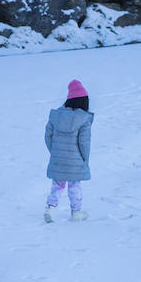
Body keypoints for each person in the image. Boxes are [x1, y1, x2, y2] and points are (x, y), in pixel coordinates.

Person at [44, 80, 94, 223]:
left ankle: (50, 209)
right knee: (74, 186)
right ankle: (76, 212)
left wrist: (55, 152)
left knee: (57, 184)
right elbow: (84, 143)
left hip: (58, 158)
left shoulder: (56, 115)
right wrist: (85, 160)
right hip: (75, 160)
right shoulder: (84, 119)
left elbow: (48, 136)